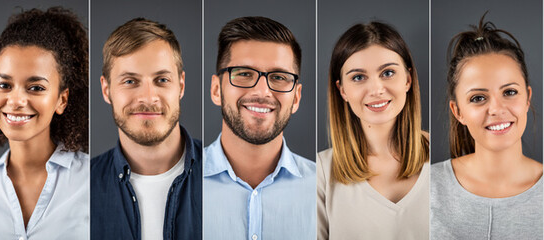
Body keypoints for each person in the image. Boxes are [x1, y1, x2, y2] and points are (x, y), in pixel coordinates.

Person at [0, 7, 89, 239]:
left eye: (36, 88)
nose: (15, 101)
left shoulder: (92, 180)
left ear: (61, 99)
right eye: (4, 85)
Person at [431, 14, 542, 239]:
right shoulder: (427, 188)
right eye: (478, 98)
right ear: (458, 111)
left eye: (509, 92)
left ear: (527, 98)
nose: (496, 109)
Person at [203, 16, 315, 240]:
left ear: (296, 98)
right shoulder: (181, 185)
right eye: (244, 74)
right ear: (216, 90)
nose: (263, 92)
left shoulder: (323, 189)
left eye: (279, 77)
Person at [90, 18, 201, 240]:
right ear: (106, 89)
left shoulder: (220, 175)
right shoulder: (81, 188)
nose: (148, 98)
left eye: (161, 80)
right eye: (130, 81)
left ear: (181, 85)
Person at [317, 21, 429, 240]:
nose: (377, 89)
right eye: (358, 77)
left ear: (408, 79)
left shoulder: (445, 162)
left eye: (387, 73)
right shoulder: (320, 173)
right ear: (342, 90)